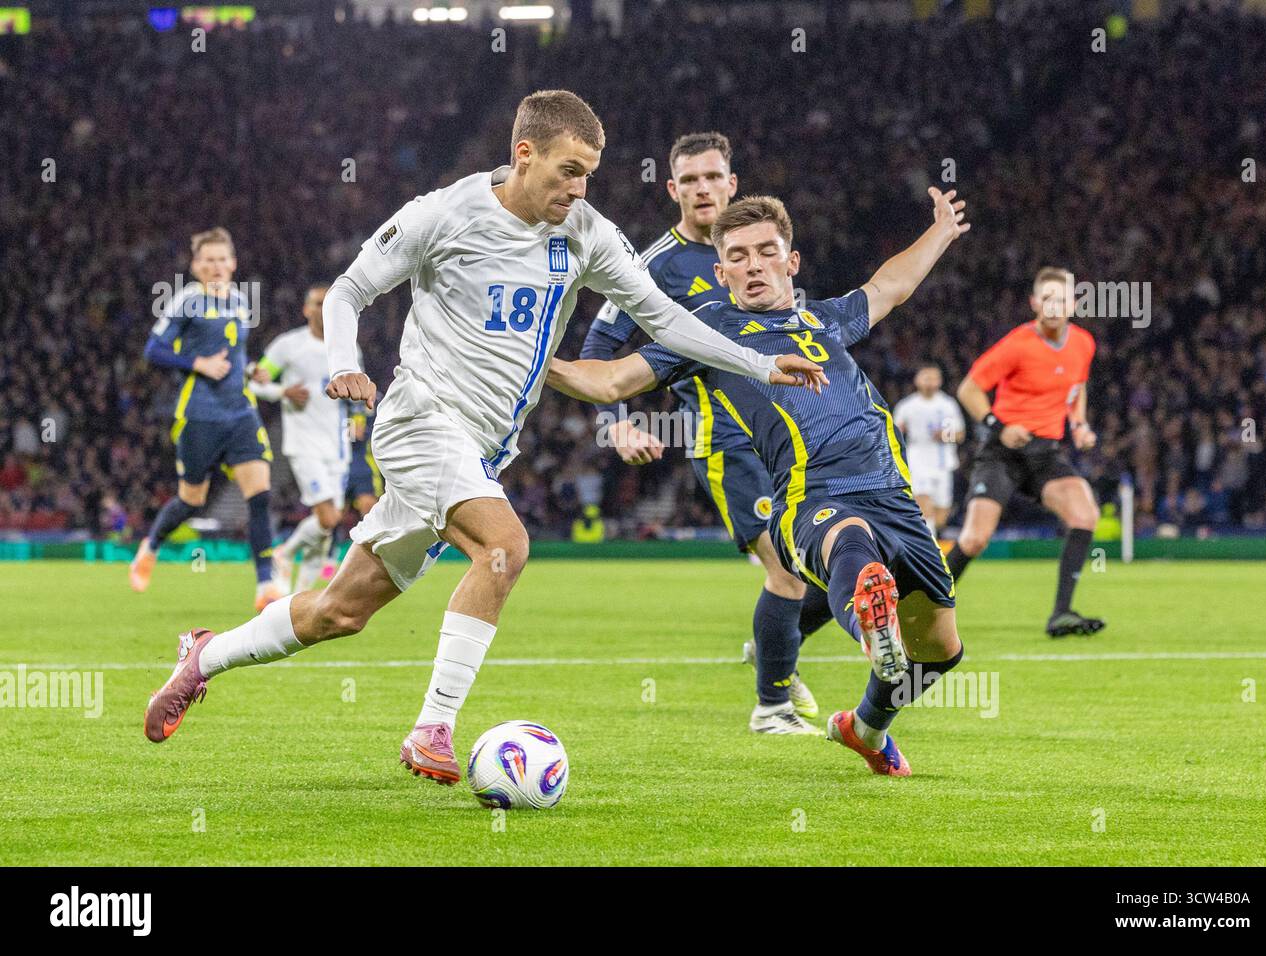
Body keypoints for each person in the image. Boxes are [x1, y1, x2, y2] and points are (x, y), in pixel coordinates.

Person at [143, 91, 826, 786]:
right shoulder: (443, 213)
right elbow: (350, 290)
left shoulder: (586, 232)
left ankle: (203, 656)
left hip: (481, 450)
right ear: (523, 154)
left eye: (589, 172)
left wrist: (762, 363)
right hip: (419, 420)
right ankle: (432, 729)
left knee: (337, 613)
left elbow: (662, 316)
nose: (579, 188)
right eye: (568, 170)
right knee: (505, 547)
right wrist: (345, 363)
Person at [548, 187, 970, 773]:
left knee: (941, 650)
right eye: (738, 257)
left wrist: (942, 232)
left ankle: (867, 727)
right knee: (849, 545)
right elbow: (612, 381)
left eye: (766, 251)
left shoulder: (823, 319)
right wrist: (530, 357)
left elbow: (889, 287)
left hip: (894, 496)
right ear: (721, 273)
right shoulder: (706, 333)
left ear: (790, 261)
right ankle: (868, 625)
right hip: (812, 494)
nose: (753, 266)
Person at [580, 131, 828, 730]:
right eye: (689, 180)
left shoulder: (756, 251)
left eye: (713, 177)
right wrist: (615, 424)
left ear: (732, 183)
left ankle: (773, 648)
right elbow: (599, 345)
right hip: (724, 439)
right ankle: (772, 708)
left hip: (789, 434)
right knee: (786, 570)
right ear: (672, 189)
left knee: (829, 561)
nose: (702, 189)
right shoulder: (652, 266)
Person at [948, 267, 1105, 638]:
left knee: (1085, 514)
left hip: (1045, 453)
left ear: (1074, 304)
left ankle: (1062, 614)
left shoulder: (1083, 343)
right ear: (1034, 303)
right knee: (974, 539)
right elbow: (969, 389)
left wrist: (1079, 424)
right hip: (1002, 452)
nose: (1054, 306)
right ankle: (920, 605)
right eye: (1046, 298)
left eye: (1061, 299)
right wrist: (998, 426)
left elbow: (1076, 387)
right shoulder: (1018, 343)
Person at [132, 227, 280, 610]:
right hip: (199, 415)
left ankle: (266, 585)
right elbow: (154, 350)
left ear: (233, 263)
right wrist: (196, 363)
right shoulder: (187, 300)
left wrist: (250, 372)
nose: (215, 266)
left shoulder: (239, 301)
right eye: (207, 260)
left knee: (260, 495)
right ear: (196, 266)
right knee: (191, 499)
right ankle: (150, 546)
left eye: (221, 259)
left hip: (240, 413)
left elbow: (230, 356)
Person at [248, 284, 357, 593]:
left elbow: (355, 393)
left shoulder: (347, 346)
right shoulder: (289, 345)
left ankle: (302, 598)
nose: (323, 309)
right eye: (317, 303)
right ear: (306, 309)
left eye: (328, 303)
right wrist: (283, 391)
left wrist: (359, 418)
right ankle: (284, 552)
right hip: (303, 443)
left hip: (337, 447)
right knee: (328, 516)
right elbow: (257, 382)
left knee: (326, 529)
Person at [892, 364, 965, 534]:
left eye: (934, 378)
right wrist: (900, 433)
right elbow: (894, 434)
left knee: (941, 514)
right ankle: (930, 550)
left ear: (940, 381)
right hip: (918, 460)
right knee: (924, 505)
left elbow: (960, 435)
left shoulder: (947, 405)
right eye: (926, 378)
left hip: (943, 463)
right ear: (917, 380)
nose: (930, 382)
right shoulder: (907, 406)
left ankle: (931, 538)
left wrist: (944, 435)